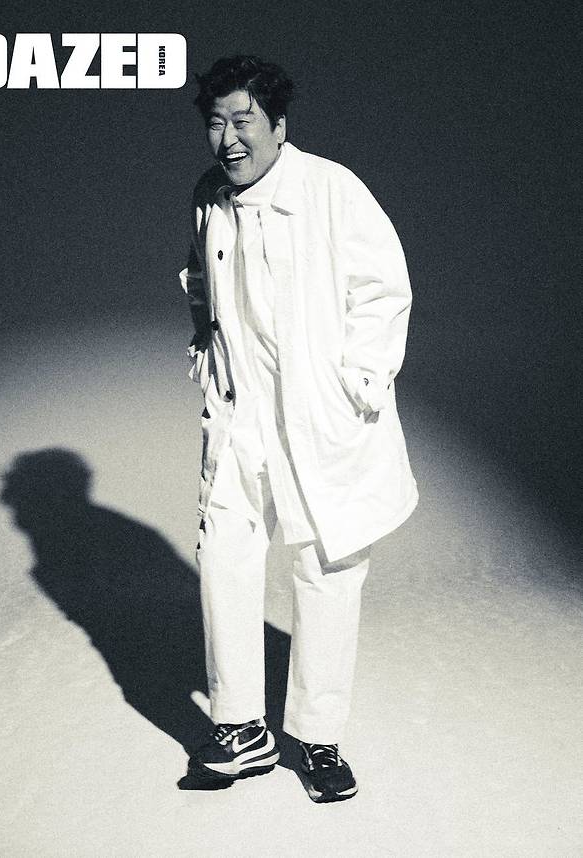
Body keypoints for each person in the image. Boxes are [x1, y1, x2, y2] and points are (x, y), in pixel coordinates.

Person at [179, 55, 418, 803]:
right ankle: (240, 730)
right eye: (215, 122)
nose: (228, 139)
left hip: (317, 412)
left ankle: (316, 738)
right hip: (240, 411)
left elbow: (384, 287)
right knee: (225, 555)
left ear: (278, 125)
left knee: (325, 565)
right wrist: (205, 346)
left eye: (242, 121)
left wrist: (360, 381)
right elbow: (199, 276)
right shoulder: (209, 196)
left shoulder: (331, 189)